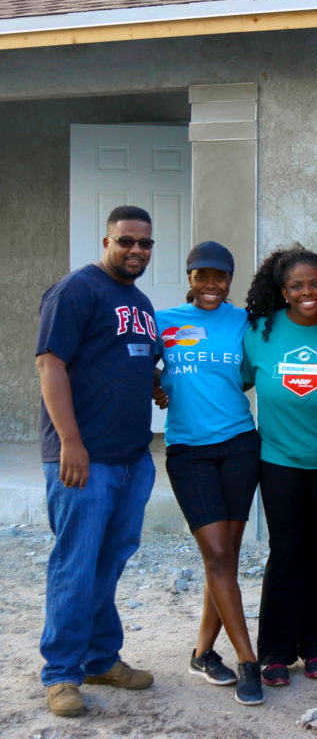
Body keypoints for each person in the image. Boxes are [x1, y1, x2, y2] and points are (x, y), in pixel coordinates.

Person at [36, 205, 159, 717]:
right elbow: (51, 364)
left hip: (132, 457)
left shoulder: (142, 302)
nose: (136, 251)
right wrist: (71, 441)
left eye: (145, 244)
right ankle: (61, 674)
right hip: (85, 459)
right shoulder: (76, 290)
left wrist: (155, 387)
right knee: (76, 563)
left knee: (109, 561)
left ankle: (100, 657)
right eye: (126, 241)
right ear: (106, 240)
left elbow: (130, 361)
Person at [155, 241, 264, 705]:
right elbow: (135, 360)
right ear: (189, 276)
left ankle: (202, 652)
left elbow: (249, 372)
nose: (211, 284)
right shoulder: (164, 321)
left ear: (230, 281)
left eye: (220, 276)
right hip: (188, 452)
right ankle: (247, 661)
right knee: (217, 554)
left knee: (226, 557)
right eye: (202, 275)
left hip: (240, 444)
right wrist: (157, 384)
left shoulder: (243, 321)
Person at [242, 245, 317, 687]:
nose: (307, 292)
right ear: (283, 291)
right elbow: (236, 379)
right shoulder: (261, 331)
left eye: (315, 284)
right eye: (297, 286)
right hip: (279, 461)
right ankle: (275, 653)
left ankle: (315, 649)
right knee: (286, 553)